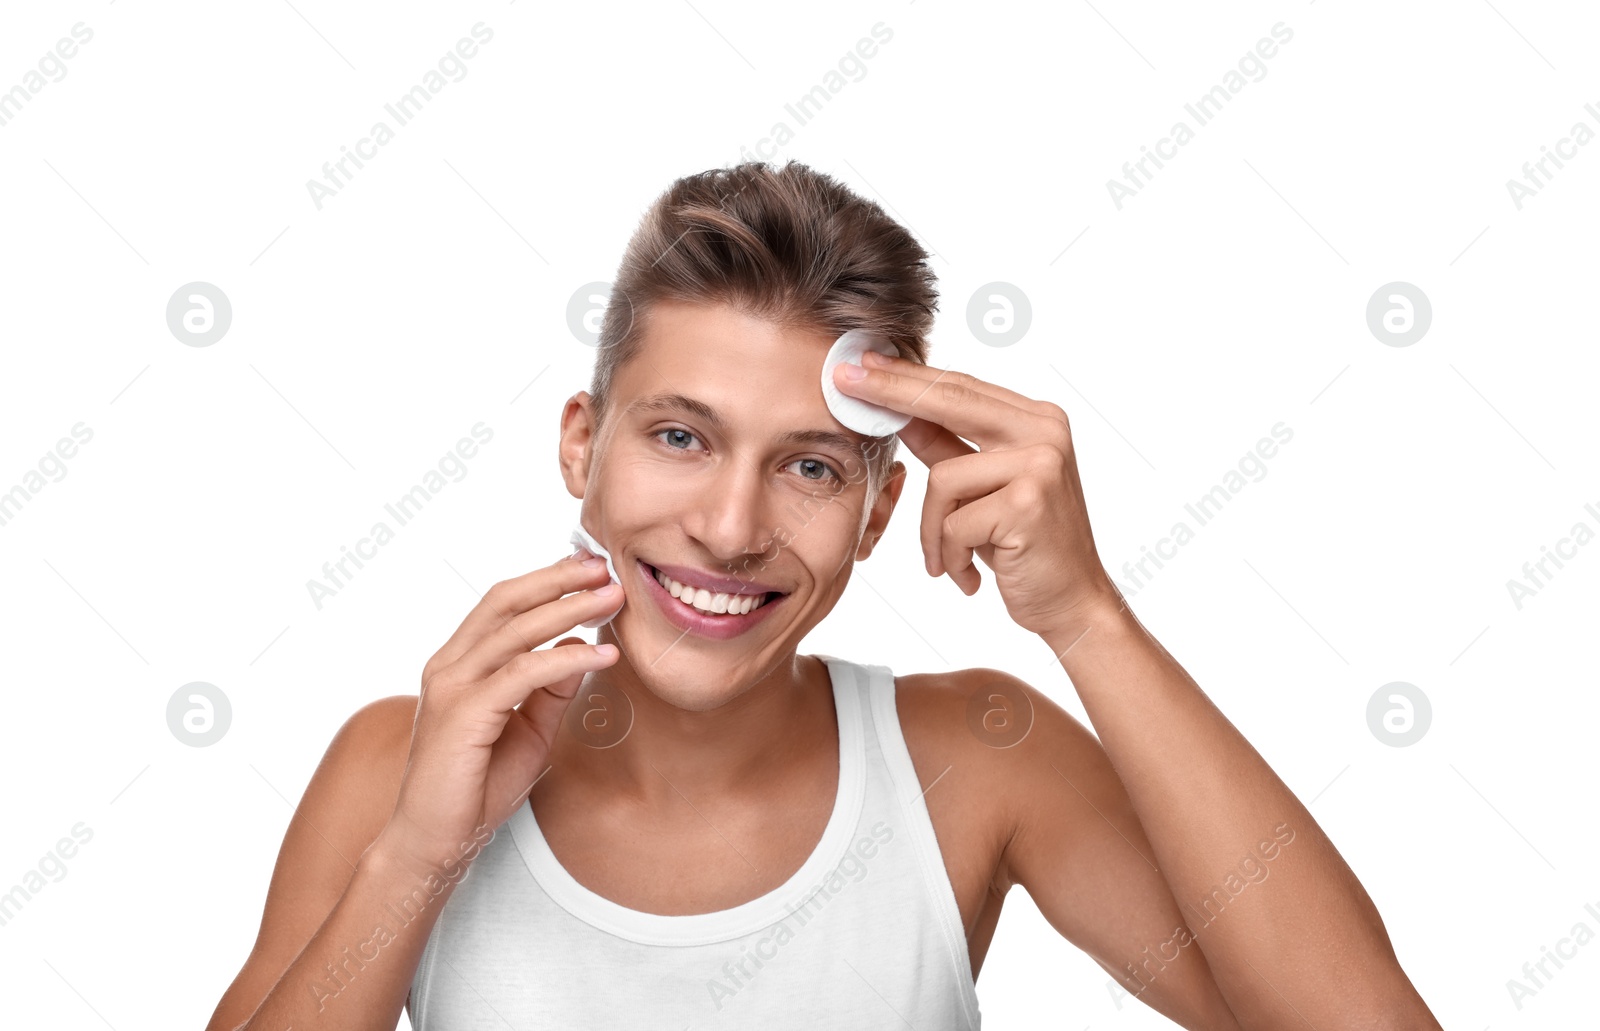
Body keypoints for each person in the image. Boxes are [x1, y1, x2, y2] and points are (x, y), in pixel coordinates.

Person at [205, 161, 1442, 1030]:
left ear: (878, 508)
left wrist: (1086, 617)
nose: (731, 528)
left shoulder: (975, 757)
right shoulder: (394, 765)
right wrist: (418, 852)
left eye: (808, 465)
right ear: (583, 444)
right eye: (681, 437)